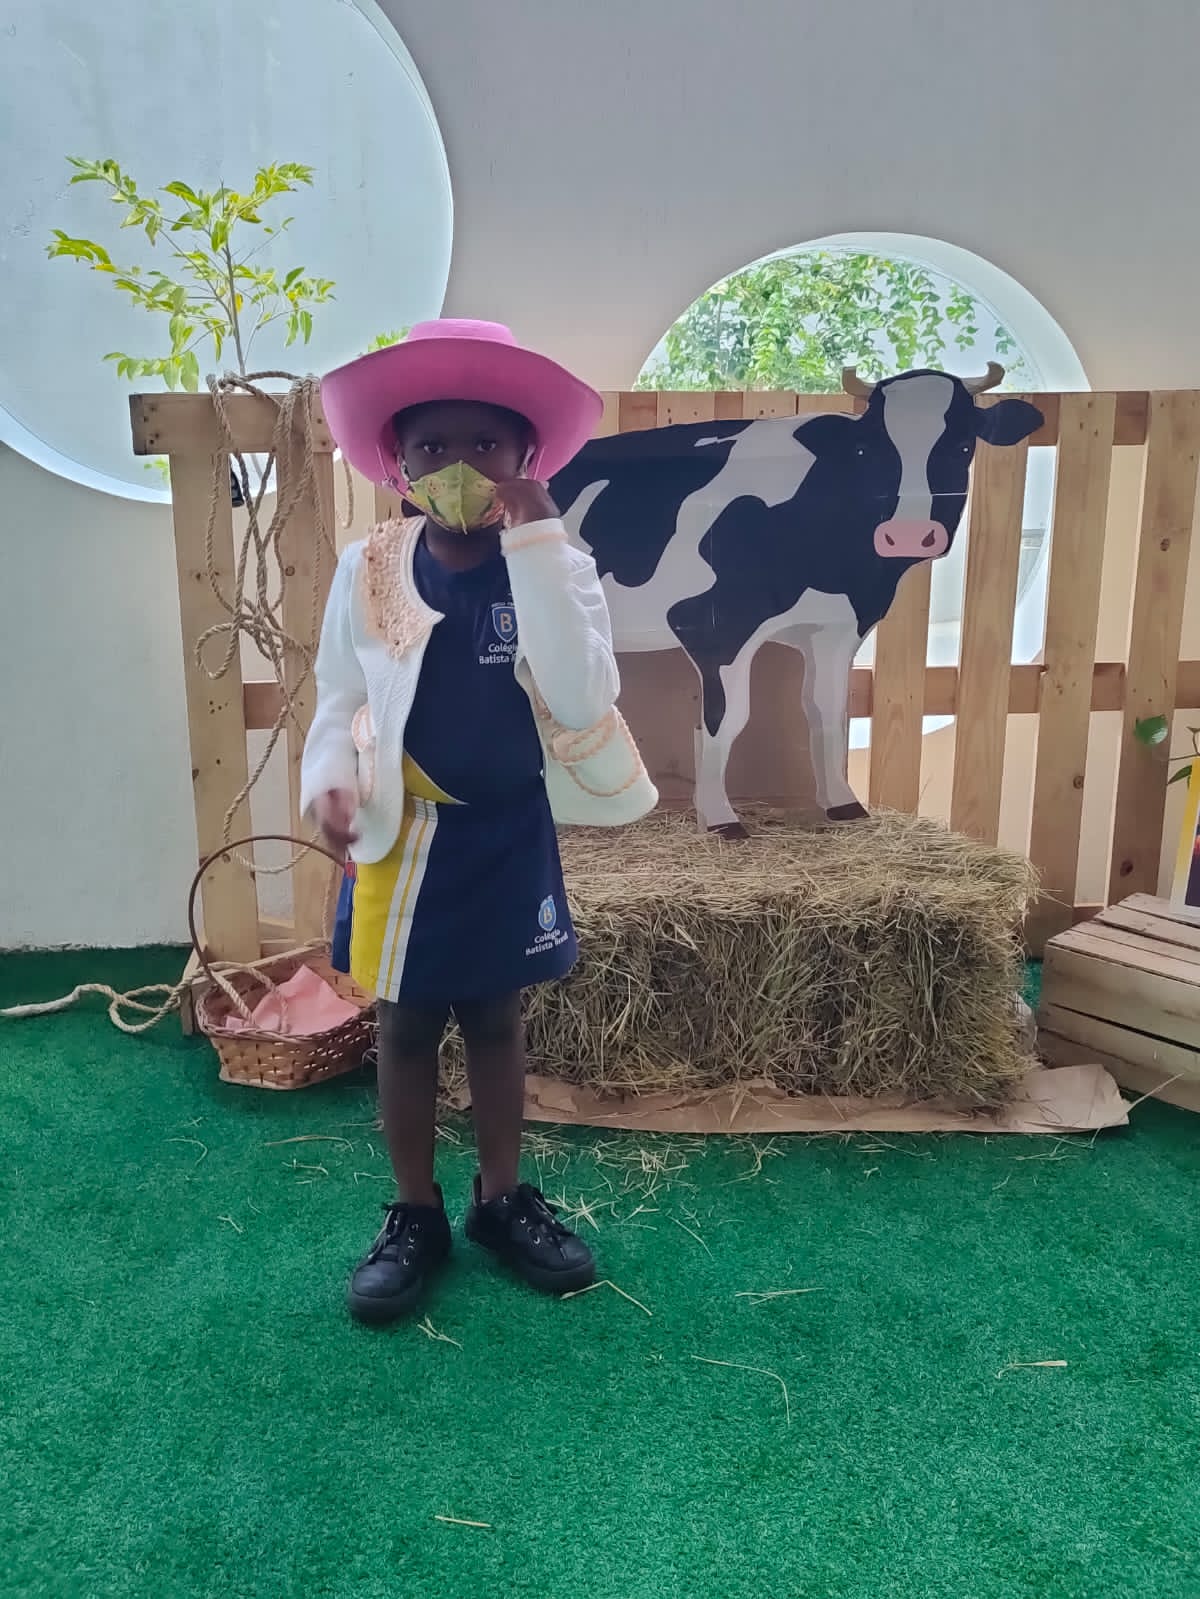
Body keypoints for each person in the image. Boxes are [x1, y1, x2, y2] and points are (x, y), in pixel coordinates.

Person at [304, 320, 657, 1324]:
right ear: (398, 464)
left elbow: (582, 696)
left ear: (527, 457)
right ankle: (415, 1213)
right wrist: (329, 780)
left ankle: (502, 1200)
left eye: (485, 445)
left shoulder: (558, 566)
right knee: (406, 1024)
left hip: (506, 833)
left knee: (499, 1017)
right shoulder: (369, 567)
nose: (458, 465)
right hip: (402, 839)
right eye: (431, 446)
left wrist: (538, 540)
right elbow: (338, 697)